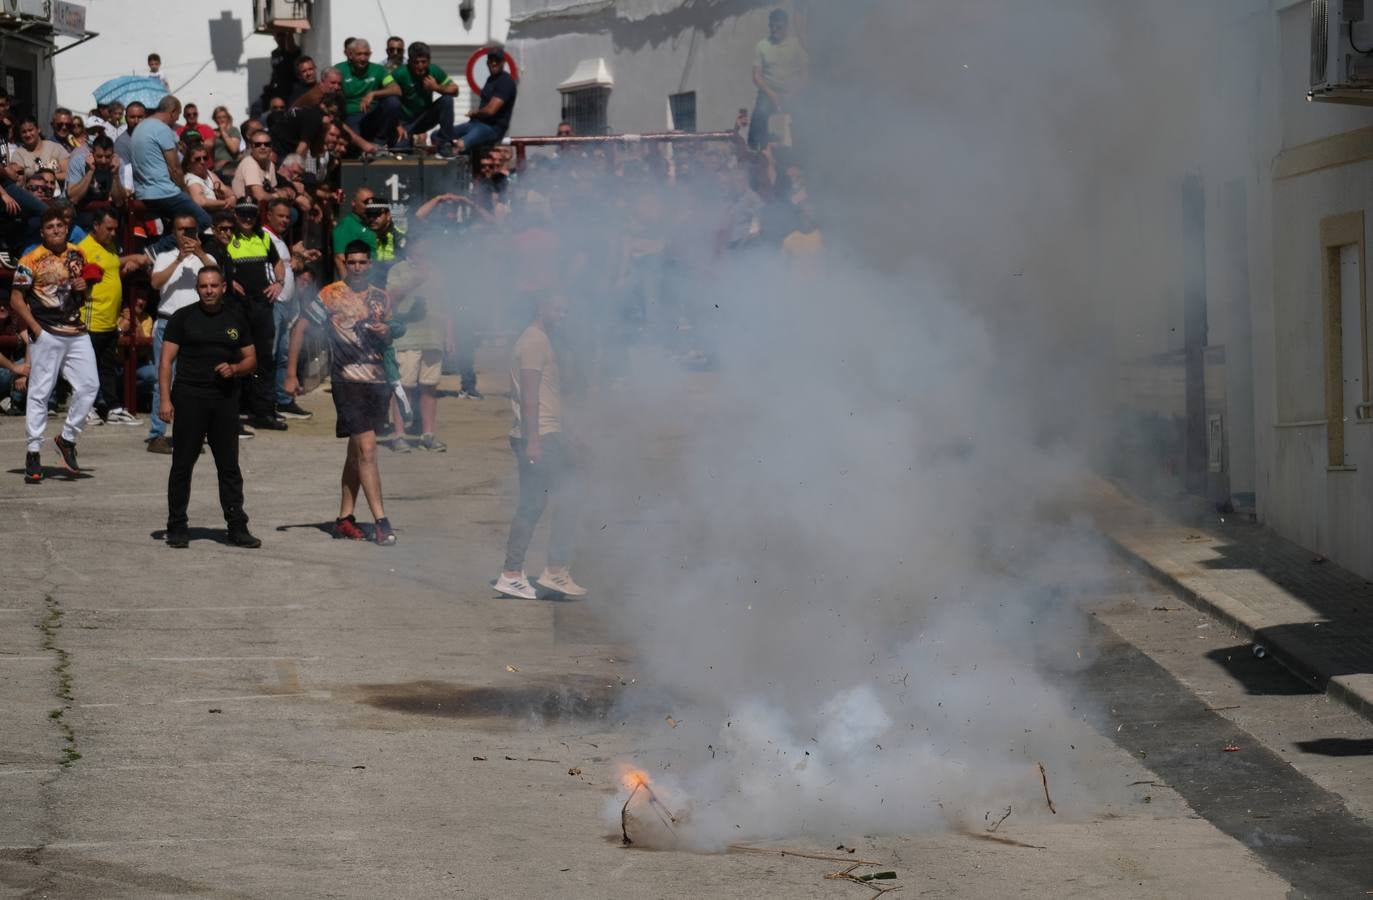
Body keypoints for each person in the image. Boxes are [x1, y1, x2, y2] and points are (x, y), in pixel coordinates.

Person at [284, 241, 402, 546]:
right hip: (347, 382)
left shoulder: (380, 296)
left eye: (363, 262)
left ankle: (345, 519)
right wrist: (291, 374)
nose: (358, 267)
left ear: (370, 264)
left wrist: (385, 332)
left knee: (356, 452)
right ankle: (381, 521)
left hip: (377, 382)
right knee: (368, 450)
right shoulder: (330, 294)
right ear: (345, 264)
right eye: (352, 262)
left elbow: (390, 335)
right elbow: (299, 328)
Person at [159, 266, 261, 549]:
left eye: (214, 285)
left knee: (229, 466)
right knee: (182, 464)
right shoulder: (183, 318)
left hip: (225, 400)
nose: (209, 291)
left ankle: (237, 526)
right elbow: (166, 361)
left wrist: (235, 368)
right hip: (189, 397)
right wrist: (165, 400)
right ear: (197, 288)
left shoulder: (236, 318)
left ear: (224, 287)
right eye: (203, 286)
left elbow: (251, 359)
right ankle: (177, 525)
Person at [494, 293, 586, 600]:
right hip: (540, 435)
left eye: (566, 309)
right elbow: (530, 395)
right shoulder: (533, 341)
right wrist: (533, 441)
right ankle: (545, 571)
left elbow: (551, 396)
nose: (563, 315)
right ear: (540, 308)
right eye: (557, 308)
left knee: (536, 503)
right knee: (563, 496)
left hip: (546, 432)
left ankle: (522, 572)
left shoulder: (541, 339)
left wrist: (569, 432)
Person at [10, 207, 98, 484]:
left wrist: (85, 287)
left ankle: (67, 438)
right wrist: (36, 329)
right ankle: (33, 451)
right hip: (46, 330)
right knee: (40, 391)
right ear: (42, 231)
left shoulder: (78, 254)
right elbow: (15, 299)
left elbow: (84, 293)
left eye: (61, 225)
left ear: (67, 228)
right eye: (51, 226)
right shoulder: (30, 259)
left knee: (90, 386)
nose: (57, 229)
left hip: (76, 329)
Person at [146, 213, 218, 453]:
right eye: (181, 229)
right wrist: (178, 260)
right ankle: (157, 434)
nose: (186, 233)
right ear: (173, 232)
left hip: (198, 324)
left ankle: (189, 433)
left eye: (190, 229)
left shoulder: (205, 259)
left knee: (196, 382)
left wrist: (198, 253)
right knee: (164, 380)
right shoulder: (165, 256)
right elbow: (155, 283)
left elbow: (218, 276)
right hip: (169, 324)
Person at [78, 208, 150, 424]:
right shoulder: (82, 249)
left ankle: (113, 408)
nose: (112, 233)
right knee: (86, 369)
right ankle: (85, 408)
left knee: (106, 368)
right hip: (90, 320)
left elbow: (111, 263)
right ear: (95, 227)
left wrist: (131, 258)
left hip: (110, 321)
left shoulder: (108, 246)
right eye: (108, 229)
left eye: (115, 230)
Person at [224, 199, 286, 430]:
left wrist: (279, 283)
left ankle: (264, 412)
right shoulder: (229, 236)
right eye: (243, 214)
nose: (247, 219)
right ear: (235, 215)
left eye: (251, 214)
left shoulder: (263, 237)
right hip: (236, 306)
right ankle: (234, 412)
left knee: (264, 360)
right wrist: (228, 282)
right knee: (237, 357)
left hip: (261, 304)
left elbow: (278, 262)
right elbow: (215, 263)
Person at [385, 233, 446, 452]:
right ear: (409, 247)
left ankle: (427, 435)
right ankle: (399, 435)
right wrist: (414, 281)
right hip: (406, 338)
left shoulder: (437, 270)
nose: (422, 250)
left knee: (430, 388)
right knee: (404, 388)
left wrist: (450, 336)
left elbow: (446, 304)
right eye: (418, 245)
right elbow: (389, 299)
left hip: (433, 338)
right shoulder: (398, 270)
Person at [132, 95, 212, 243]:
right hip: (163, 192)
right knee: (203, 220)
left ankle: (166, 252)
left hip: (143, 191)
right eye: (177, 115)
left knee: (173, 226)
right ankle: (156, 251)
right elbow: (175, 167)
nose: (176, 120)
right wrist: (186, 192)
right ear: (172, 111)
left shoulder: (140, 127)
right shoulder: (162, 129)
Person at [262, 198, 313, 420]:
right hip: (273, 305)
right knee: (270, 356)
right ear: (269, 215)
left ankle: (283, 400)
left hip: (284, 305)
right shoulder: (264, 237)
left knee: (282, 355)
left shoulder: (279, 239)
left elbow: (286, 267)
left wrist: (300, 258)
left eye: (287, 216)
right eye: (280, 215)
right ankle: (266, 404)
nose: (285, 220)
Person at [749, 9, 807, 150]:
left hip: (792, 92)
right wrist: (772, 94)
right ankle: (758, 152)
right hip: (768, 92)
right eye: (772, 26)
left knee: (805, 116)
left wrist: (793, 92)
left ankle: (802, 152)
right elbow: (756, 76)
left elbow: (805, 73)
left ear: (786, 26)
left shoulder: (796, 44)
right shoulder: (761, 45)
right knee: (759, 114)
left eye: (779, 27)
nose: (775, 30)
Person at [336, 39, 401, 152]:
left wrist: (373, 93)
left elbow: (396, 90)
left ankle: (380, 142)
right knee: (353, 147)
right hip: (350, 116)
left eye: (366, 54)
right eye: (359, 54)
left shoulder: (379, 70)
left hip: (371, 115)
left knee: (393, 101)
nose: (363, 58)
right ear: (350, 55)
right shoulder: (339, 69)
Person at [393, 42, 459, 149]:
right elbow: (387, 100)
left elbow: (455, 90)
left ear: (429, 61)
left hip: (424, 118)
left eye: (424, 62)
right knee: (400, 149)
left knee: (447, 99)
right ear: (409, 62)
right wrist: (396, 125)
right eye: (416, 62)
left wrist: (436, 87)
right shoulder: (399, 74)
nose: (420, 66)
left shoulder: (433, 70)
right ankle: (409, 140)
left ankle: (446, 142)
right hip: (404, 122)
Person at [450, 48, 516, 155]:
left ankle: (449, 168)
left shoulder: (505, 81)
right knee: (437, 136)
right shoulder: (490, 79)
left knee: (460, 145)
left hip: (492, 128)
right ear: (487, 63)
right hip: (476, 124)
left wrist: (475, 113)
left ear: (503, 63)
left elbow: (491, 110)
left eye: (497, 60)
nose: (494, 63)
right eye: (491, 60)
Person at [65, 134, 128, 230]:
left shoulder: (118, 163)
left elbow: (119, 201)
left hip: (100, 221)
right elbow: (73, 198)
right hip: (76, 219)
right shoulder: (78, 161)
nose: (103, 161)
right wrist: (90, 171)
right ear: (91, 153)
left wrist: (115, 175)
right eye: (99, 156)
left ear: (113, 155)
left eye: (107, 157)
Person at [331, 186, 380, 277]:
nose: (369, 207)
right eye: (365, 203)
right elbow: (339, 259)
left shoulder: (373, 224)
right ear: (353, 203)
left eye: (372, 203)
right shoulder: (346, 225)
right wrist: (349, 287)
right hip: (359, 285)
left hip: (378, 283)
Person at [184, 144, 234, 212]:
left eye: (205, 158)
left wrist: (232, 198)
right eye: (197, 159)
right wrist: (225, 202)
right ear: (189, 162)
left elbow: (226, 190)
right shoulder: (191, 179)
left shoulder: (208, 173)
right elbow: (201, 201)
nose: (202, 162)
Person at [231, 130, 277, 202]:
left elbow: (272, 190)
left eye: (267, 144)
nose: (263, 147)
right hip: (245, 208)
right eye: (257, 144)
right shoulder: (249, 163)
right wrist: (278, 196)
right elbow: (259, 196)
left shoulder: (270, 164)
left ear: (271, 147)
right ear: (251, 147)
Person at [209, 106, 241, 170]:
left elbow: (234, 149)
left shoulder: (233, 130)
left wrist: (223, 132)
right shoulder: (212, 132)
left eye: (224, 117)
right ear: (215, 119)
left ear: (228, 118)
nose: (222, 119)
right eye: (218, 117)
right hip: (215, 166)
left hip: (230, 166)